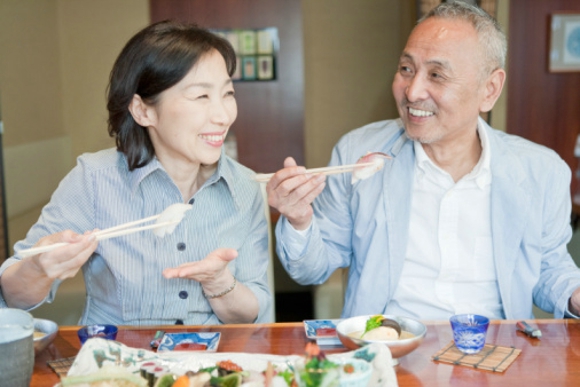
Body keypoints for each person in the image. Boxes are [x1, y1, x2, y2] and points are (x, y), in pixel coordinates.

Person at [267, 1, 580, 320]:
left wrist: (575, 295)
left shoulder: (541, 171)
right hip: (387, 348)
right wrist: (299, 221)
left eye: (436, 74)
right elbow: (312, 270)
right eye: (407, 69)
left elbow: (548, 268)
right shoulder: (357, 152)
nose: (413, 91)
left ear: (489, 89)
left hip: (495, 352)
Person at [0, 20, 273, 325]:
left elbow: (253, 311)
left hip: (211, 364)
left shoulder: (245, 185)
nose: (223, 115)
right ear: (143, 110)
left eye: (228, 93)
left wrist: (219, 283)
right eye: (201, 96)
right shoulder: (93, 180)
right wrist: (38, 269)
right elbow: (11, 297)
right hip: (116, 365)